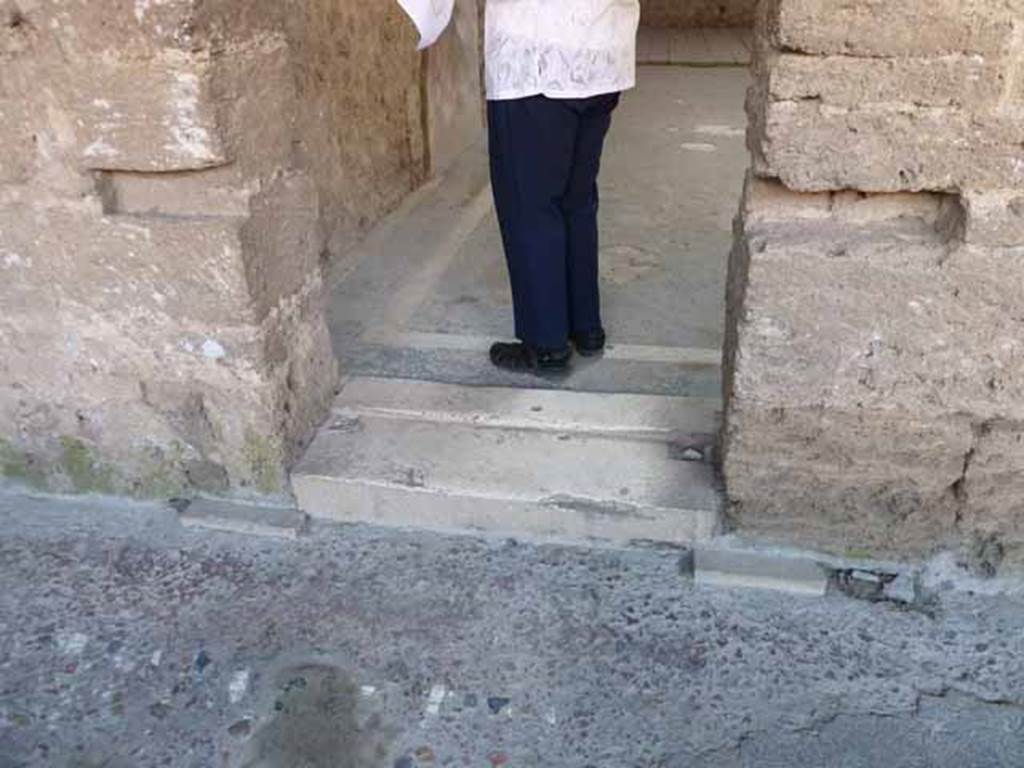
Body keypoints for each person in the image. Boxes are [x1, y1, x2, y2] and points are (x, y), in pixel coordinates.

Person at [484, 0, 641, 374]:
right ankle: (585, 327)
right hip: (602, 54)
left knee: (531, 206)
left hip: (536, 58)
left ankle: (546, 343)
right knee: (577, 200)